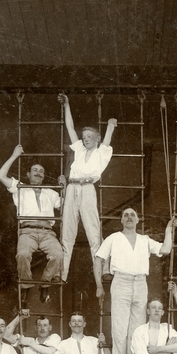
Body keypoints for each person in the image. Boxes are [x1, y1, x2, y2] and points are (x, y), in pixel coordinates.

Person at [96, 209, 175, 354]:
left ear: (138, 219)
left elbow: (165, 249)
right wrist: (99, 285)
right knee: (119, 330)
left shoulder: (144, 240)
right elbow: (98, 259)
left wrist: (169, 230)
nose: (130, 217)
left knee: (136, 331)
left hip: (140, 283)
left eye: (133, 215)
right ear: (121, 220)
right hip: (121, 282)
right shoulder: (114, 238)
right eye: (126, 215)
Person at [58, 95, 117, 288]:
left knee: (93, 232)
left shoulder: (102, 152)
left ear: (97, 138)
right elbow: (69, 127)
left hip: (87, 189)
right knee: (67, 233)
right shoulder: (80, 151)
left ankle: (104, 272)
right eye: (84, 138)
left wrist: (110, 125)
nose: (86, 140)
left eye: (90, 137)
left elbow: (107, 138)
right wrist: (67, 104)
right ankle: (62, 274)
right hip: (72, 188)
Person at [0, 145, 64, 301]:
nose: (38, 173)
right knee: (23, 254)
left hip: (47, 232)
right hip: (27, 231)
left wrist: (64, 186)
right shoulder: (20, 188)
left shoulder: (51, 192)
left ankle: (45, 284)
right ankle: (26, 285)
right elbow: (0, 175)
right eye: (35, 170)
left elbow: (66, 205)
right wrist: (14, 155)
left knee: (59, 255)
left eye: (41, 171)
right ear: (28, 174)